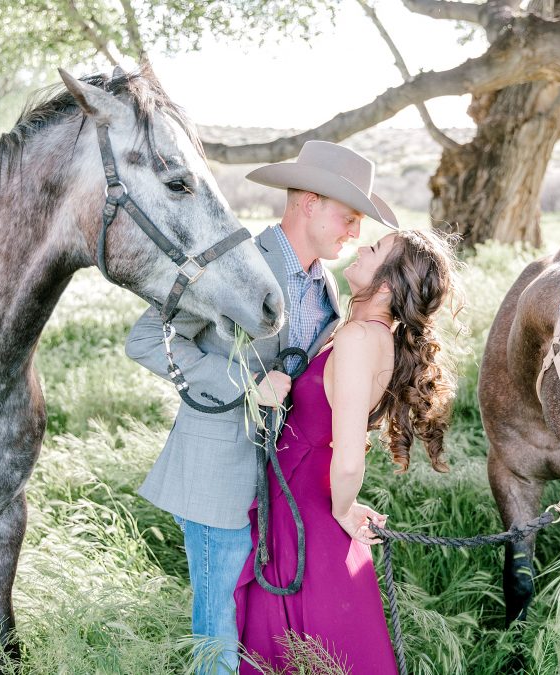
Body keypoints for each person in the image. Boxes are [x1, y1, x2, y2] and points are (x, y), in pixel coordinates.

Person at [125, 140, 398, 674]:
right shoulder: (232, 266)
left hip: (280, 497)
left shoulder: (329, 293)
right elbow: (146, 339)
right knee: (221, 641)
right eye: (348, 217)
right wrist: (247, 383)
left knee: (259, 642)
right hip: (219, 481)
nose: (355, 233)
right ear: (310, 202)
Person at [235, 228, 460, 674]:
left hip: (304, 501)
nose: (362, 247)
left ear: (389, 284)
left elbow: (350, 452)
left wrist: (342, 510)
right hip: (298, 489)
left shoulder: (361, 339)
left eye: (374, 249)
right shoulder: (360, 331)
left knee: (304, 638)